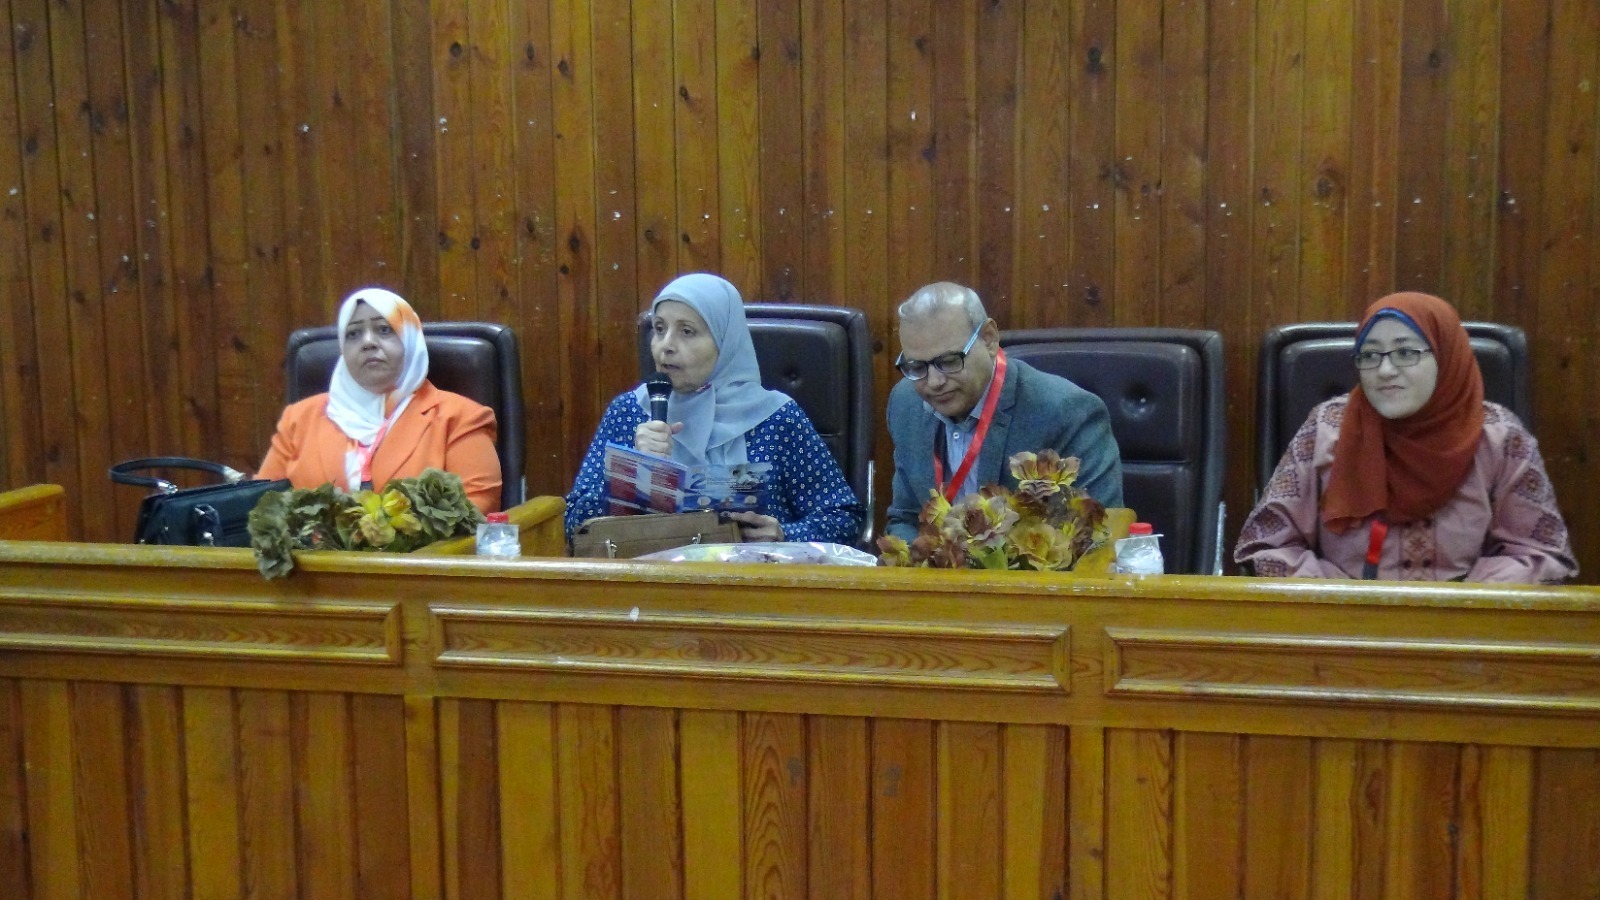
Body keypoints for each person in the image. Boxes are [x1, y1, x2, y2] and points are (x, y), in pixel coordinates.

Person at [1236, 292, 1576, 583]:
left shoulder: (1499, 437)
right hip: (1344, 623)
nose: (1385, 371)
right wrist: (1346, 602)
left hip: (1466, 627)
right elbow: (1268, 545)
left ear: (1445, 356)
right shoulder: (1327, 429)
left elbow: (1540, 554)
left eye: (1405, 353)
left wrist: (1457, 606)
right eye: (1370, 355)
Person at [564, 273, 864, 544]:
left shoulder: (776, 418)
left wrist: (786, 535)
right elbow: (574, 523)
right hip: (653, 581)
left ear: (724, 342)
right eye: (659, 329)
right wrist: (631, 470)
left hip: (754, 579)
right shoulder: (630, 411)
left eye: (687, 331)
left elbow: (844, 518)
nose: (666, 345)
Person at [886, 282, 1123, 542]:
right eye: (917, 367)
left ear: (988, 338)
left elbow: (1097, 538)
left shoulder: (1069, 414)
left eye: (949, 361)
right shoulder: (905, 403)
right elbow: (905, 518)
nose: (934, 382)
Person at [257, 287, 503, 513]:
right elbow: (262, 506)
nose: (368, 343)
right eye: (353, 334)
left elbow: (477, 508)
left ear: (409, 338)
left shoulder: (460, 418)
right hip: (313, 548)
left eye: (384, 330)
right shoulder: (299, 419)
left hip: (424, 549)